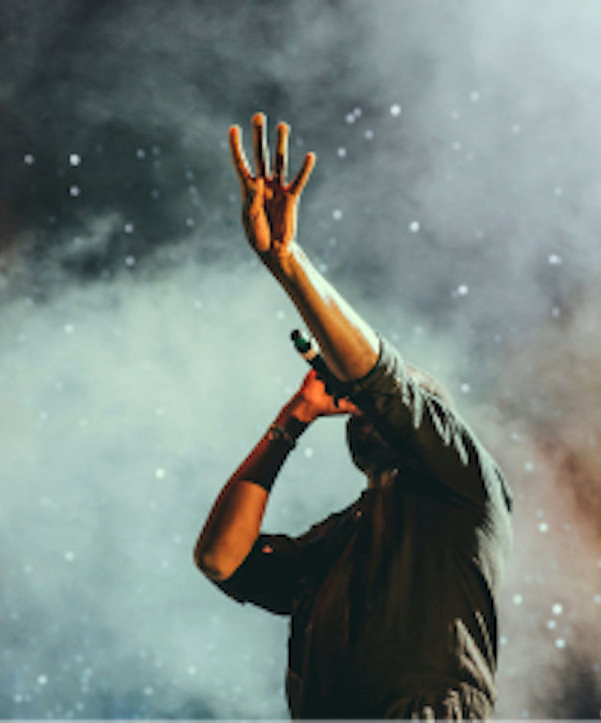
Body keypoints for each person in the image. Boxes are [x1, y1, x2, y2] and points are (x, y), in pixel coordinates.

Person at [194, 113, 513, 719]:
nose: (361, 404)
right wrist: (293, 419)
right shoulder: (342, 538)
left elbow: (382, 378)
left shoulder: (464, 483)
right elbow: (221, 558)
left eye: (380, 401)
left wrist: (288, 263)